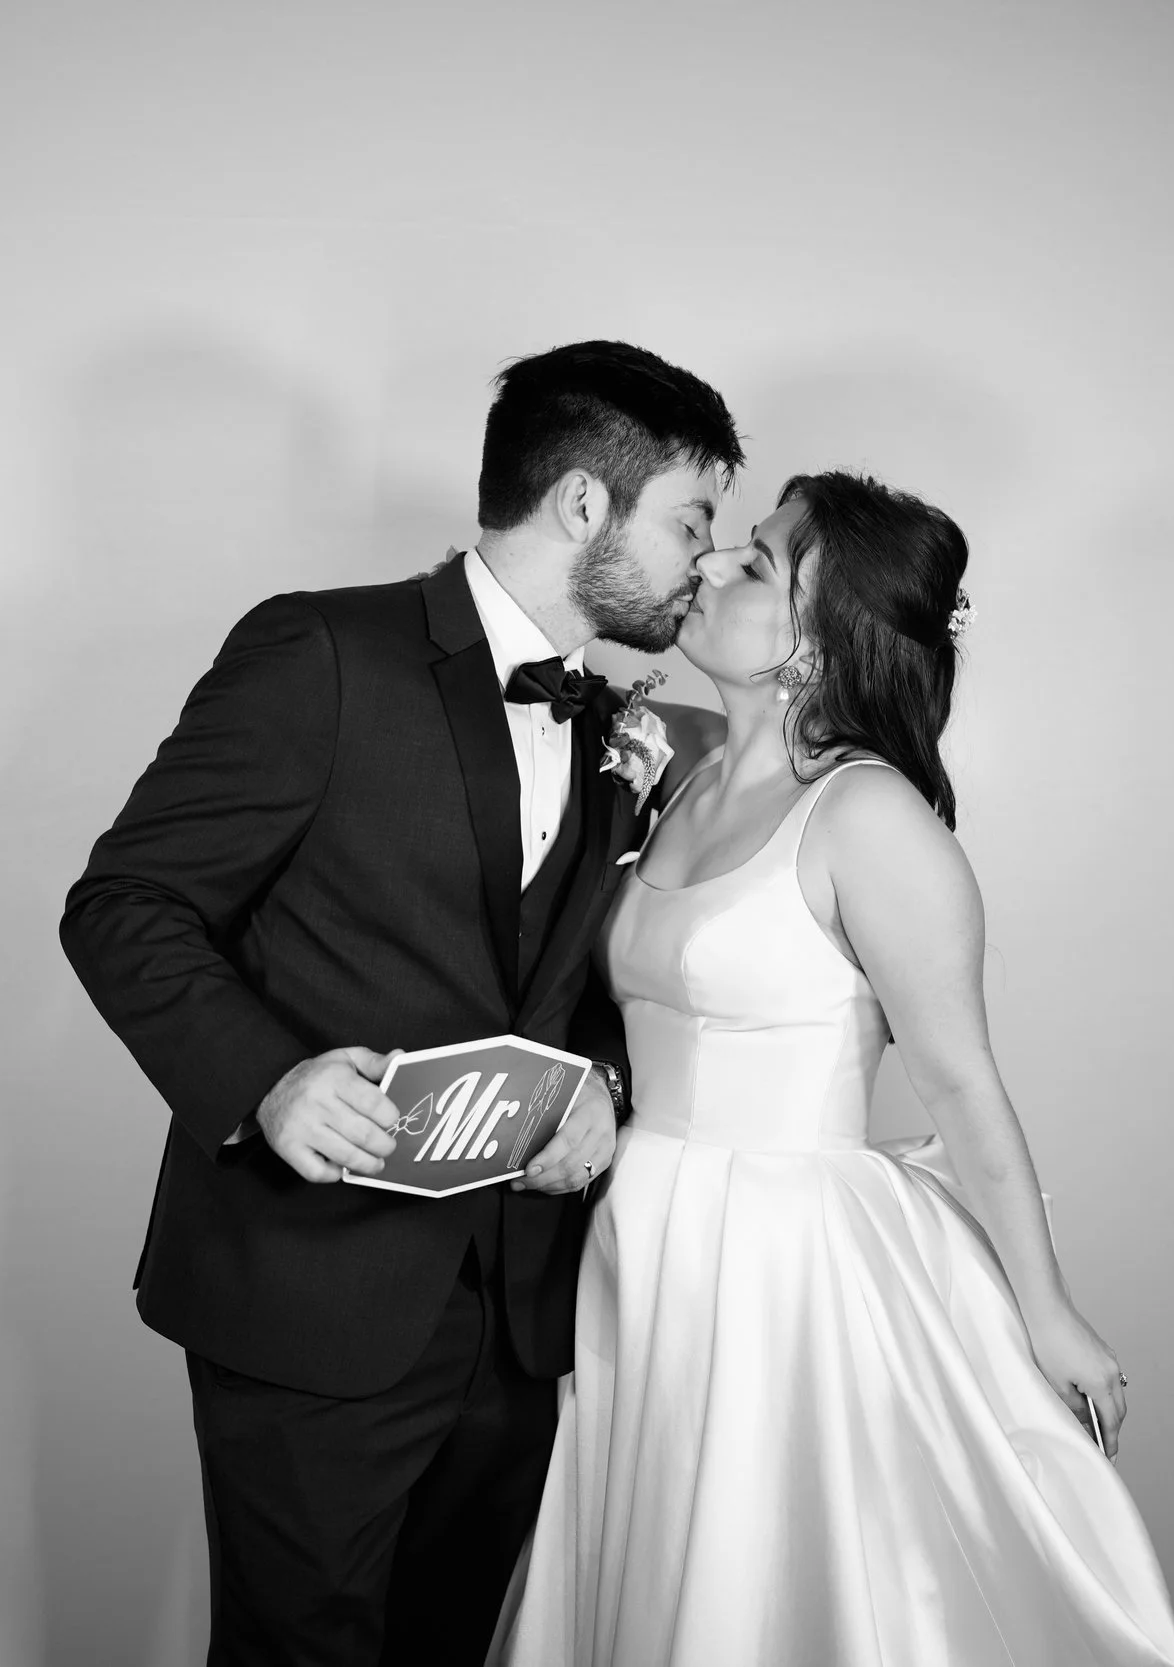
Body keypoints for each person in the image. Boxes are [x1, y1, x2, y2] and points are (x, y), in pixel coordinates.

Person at [59, 341, 743, 1666]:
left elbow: (589, 979)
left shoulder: (628, 726)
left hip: (522, 1310)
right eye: (692, 521)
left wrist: (600, 1089)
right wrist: (266, 1076)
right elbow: (124, 902)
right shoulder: (320, 651)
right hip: (312, 1287)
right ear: (586, 507)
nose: (708, 563)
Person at [494, 472, 1174, 1665]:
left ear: (821, 640)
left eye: (755, 562)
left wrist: (1048, 1308)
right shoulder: (682, 772)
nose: (707, 567)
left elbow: (963, 1084)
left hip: (779, 1261)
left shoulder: (869, 820)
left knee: (762, 1580)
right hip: (637, 1242)